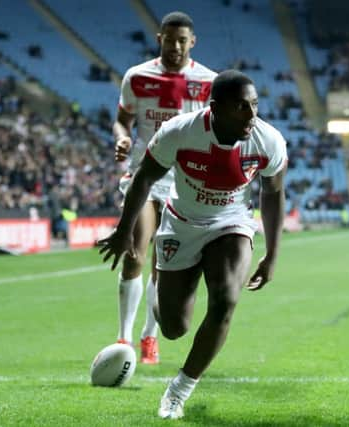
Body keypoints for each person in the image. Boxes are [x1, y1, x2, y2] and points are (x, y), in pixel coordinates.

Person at [98, 70, 287, 419]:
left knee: (226, 298)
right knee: (173, 328)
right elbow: (144, 178)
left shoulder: (268, 140)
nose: (251, 115)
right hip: (180, 224)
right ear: (215, 108)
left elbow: (273, 193)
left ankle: (177, 392)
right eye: (241, 107)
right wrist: (125, 230)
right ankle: (159, 283)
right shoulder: (179, 132)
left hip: (230, 222)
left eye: (255, 105)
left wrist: (272, 254)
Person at [111, 11, 216, 364]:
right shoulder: (138, 77)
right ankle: (123, 339)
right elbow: (123, 121)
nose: (175, 47)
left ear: (192, 42)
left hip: (185, 185)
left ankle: (148, 336)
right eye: (169, 40)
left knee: (162, 266)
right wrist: (123, 139)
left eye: (181, 41)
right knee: (134, 253)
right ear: (159, 39)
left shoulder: (209, 83)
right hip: (145, 175)